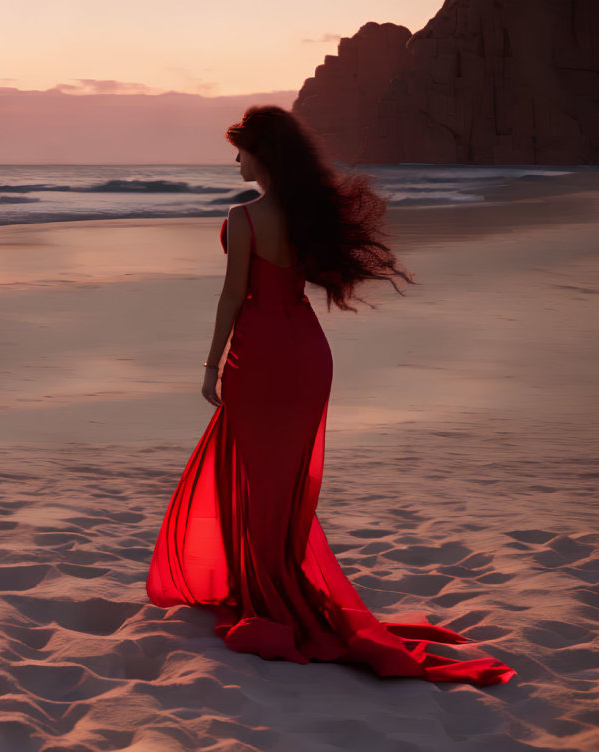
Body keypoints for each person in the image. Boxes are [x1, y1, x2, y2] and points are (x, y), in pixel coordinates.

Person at [146, 106, 515, 686]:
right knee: (285, 480)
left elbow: (231, 298)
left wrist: (209, 364)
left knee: (254, 474)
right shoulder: (308, 215)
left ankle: (266, 593)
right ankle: (272, 580)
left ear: (261, 154)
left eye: (240, 150)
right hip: (309, 355)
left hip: (260, 357)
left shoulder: (243, 219)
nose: (235, 160)